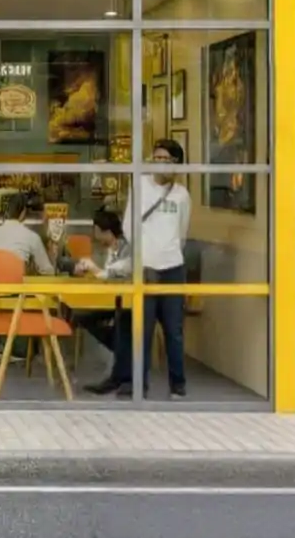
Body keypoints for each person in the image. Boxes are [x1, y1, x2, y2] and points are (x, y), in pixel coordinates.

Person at [85, 139, 191, 399]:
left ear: (176, 164)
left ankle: (178, 385)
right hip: (145, 268)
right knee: (140, 329)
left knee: (174, 331)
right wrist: (145, 253)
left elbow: (182, 233)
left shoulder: (182, 195)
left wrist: (166, 250)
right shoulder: (140, 186)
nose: (160, 164)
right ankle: (137, 384)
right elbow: (130, 226)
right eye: (157, 158)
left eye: (166, 159)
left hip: (172, 268)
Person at [73, 208, 133, 393]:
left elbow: (119, 271)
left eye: (97, 231)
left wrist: (96, 270)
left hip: (128, 300)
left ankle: (121, 371)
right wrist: (83, 268)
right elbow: (97, 271)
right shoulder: (102, 249)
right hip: (109, 299)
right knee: (81, 316)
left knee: (123, 319)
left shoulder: (127, 248)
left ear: (106, 231)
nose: (95, 235)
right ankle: (121, 351)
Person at [0, 193, 58, 275]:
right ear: (23, 212)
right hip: (17, 282)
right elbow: (48, 271)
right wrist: (52, 257)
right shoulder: (32, 237)